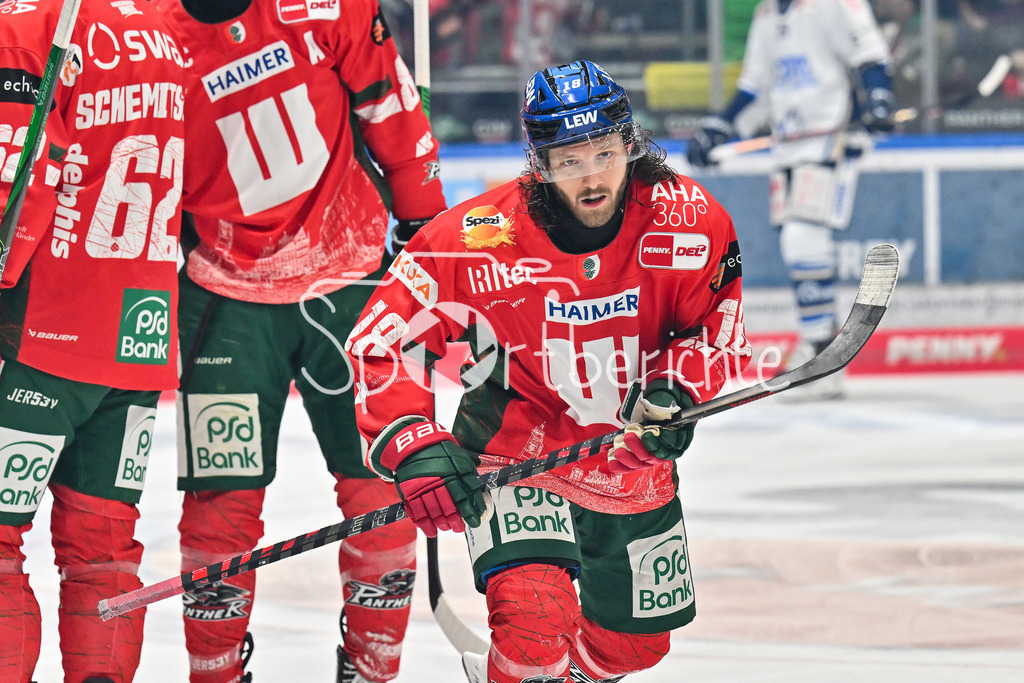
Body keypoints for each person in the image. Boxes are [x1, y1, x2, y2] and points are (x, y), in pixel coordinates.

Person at [346, 60, 751, 683]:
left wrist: (677, 386)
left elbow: (716, 326)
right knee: (535, 624)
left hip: (628, 465)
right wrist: (412, 442)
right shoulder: (481, 236)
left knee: (635, 648)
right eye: (568, 161)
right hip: (517, 455)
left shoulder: (687, 221)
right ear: (538, 163)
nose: (591, 177)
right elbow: (384, 338)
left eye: (604, 154)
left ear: (629, 144)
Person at [152, 1, 447, 682]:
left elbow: (392, 110)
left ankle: (372, 669)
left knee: (380, 492)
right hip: (223, 298)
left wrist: (426, 236)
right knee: (219, 512)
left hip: (357, 280)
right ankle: (216, 671)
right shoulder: (145, 31)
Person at [0, 0, 185, 680]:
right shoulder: (158, 29)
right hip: (135, 335)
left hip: (40, 336)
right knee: (103, 551)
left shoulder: (26, 23)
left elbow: (16, 178)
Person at [687, 0, 896, 399]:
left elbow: (869, 57)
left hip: (829, 141)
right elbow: (756, 87)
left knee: (803, 238)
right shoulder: (768, 14)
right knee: (795, 242)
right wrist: (722, 126)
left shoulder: (836, 4)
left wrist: (879, 98)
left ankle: (821, 351)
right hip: (787, 149)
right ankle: (820, 348)